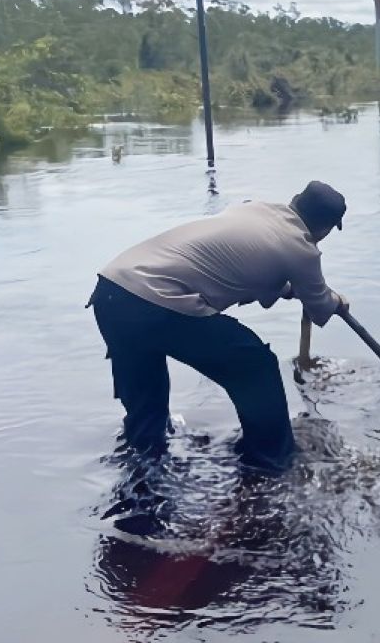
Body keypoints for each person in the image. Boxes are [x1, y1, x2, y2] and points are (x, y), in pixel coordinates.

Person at [88, 181, 349, 471]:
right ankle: (272, 461)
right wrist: (336, 301)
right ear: (325, 229)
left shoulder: (254, 209)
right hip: (157, 303)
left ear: (295, 200)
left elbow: (248, 263)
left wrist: (290, 288)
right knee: (254, 365)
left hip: (112, 292)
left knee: (146, 396)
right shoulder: (302, 249)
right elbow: (321, 306)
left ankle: (143, 466)